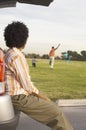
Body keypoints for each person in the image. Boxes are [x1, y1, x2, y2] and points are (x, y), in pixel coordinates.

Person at [4, 21, 73, 130]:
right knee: (57, 113)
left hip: (15, 95)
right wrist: (43, 97)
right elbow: (27, 86)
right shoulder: (17, 56)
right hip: (18, 97)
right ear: (24, 39)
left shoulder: (9, 53)